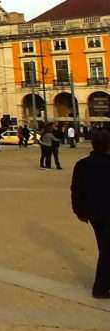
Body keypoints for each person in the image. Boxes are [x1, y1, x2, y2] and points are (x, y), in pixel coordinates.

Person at [71, 128, 110, 299]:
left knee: (104, 246)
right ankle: (100, 288)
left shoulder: (82, 165)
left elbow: (76, 191)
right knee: (107, 250)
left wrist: (79, 212)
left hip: (94, 214)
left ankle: (104, 282)